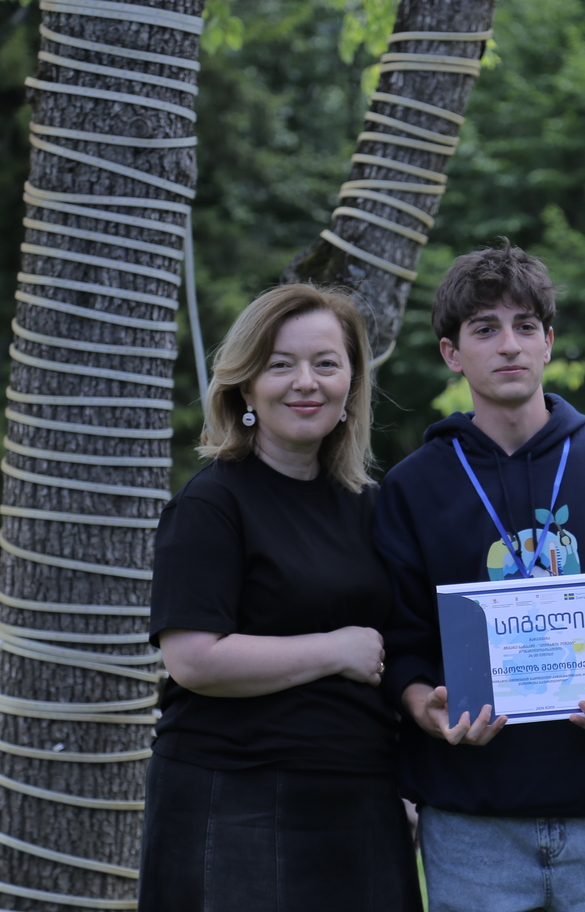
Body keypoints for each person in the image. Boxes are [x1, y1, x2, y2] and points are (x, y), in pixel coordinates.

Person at [374, 242, 585, 912]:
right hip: (469, 819)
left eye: (525, 326)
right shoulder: (411, 487)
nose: (509, 345)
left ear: (549, 342)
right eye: (485, 329)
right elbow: (400, 640)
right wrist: (426, 708)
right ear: (452, 353)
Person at [139, 285, 420, 912]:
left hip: (360, 798)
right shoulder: (211, 504)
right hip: (234, 798)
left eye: (326, 363)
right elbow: (193, 660)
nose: (306, 383)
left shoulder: (371, 507)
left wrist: (408, 782)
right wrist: (333, 650)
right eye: (280, 364)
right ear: (245, 386)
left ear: (352, 384)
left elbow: (402, 648)